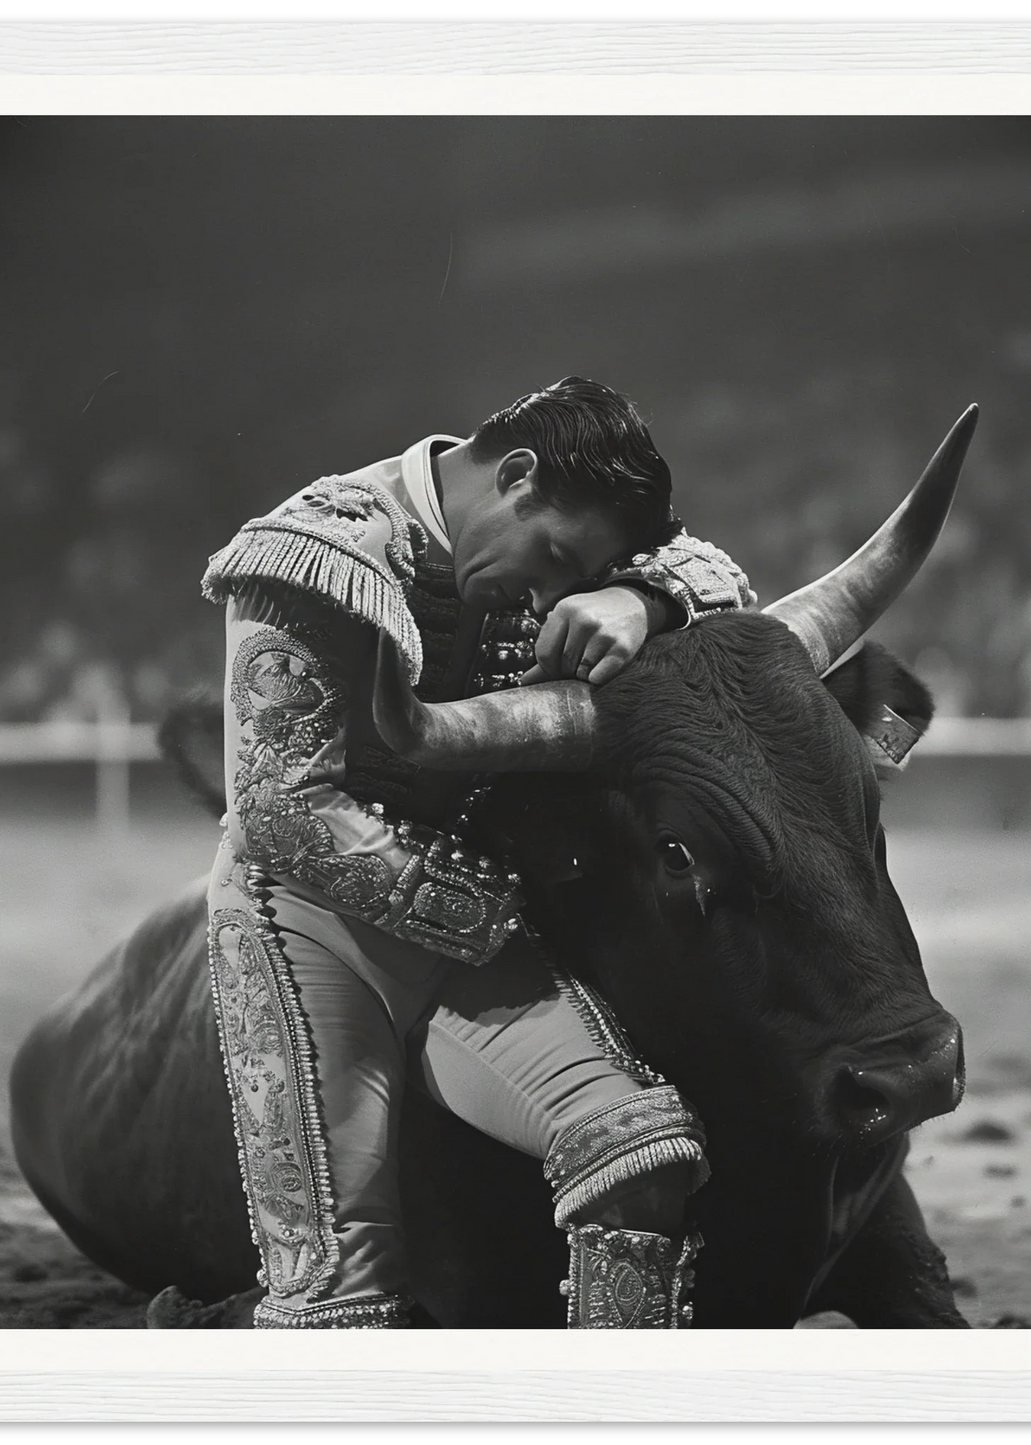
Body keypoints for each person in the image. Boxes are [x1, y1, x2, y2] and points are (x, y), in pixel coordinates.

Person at [199, 377, 755, 1329]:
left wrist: (638, 598)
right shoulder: (321, 543)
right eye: (553, 557)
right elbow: (281, 809)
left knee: (643, 1152)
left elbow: (724, 581)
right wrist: (498, 914)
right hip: (301, 923)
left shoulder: (569, 551)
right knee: (337, 1295)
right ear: (518, 477)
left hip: (464, 922)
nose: (548, 595)